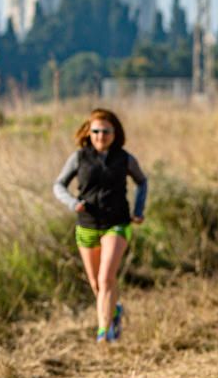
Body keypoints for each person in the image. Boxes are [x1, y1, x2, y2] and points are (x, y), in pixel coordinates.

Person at [53, 108, 148, 344]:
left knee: (106, 278)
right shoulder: (78, 158)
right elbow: (58, 185)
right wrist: (72, 203)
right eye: (96, 131)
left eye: (106, 131)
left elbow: (142, 182)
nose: (100, 136)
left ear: (115, 133)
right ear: (88, 132)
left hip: (116, 223)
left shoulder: (125, 158)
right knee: (97, 284)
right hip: (86, 224)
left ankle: (104, 333)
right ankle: (114, 311)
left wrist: (138, 210)